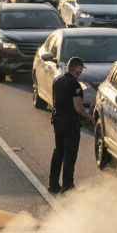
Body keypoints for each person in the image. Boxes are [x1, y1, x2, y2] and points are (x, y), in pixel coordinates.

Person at [48, 56, 93, 194]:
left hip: (57, 120)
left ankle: (53, 184)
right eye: (80, 69)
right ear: (77, 69)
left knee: (58, 151)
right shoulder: (75, 85)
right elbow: (78, 108)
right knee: (70, 154)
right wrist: (90, 119)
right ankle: (67, 185)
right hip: (70, 123)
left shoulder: (58, 81)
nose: (81, 72)